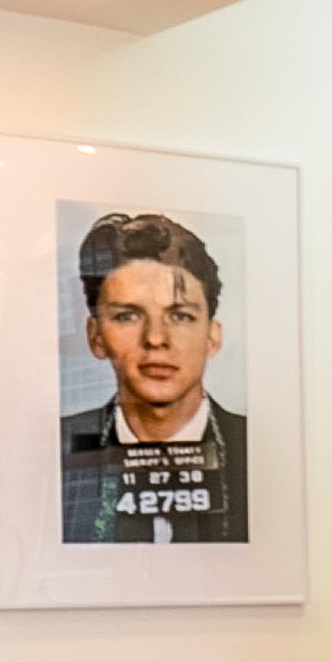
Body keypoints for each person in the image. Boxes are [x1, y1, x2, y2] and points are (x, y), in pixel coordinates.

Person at [59, 210, 251, 542]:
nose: (156, 339)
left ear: (213, 336)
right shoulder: (58, 449)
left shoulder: (251, 447)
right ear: (95, 336)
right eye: (128, 315)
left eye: (180, 315)